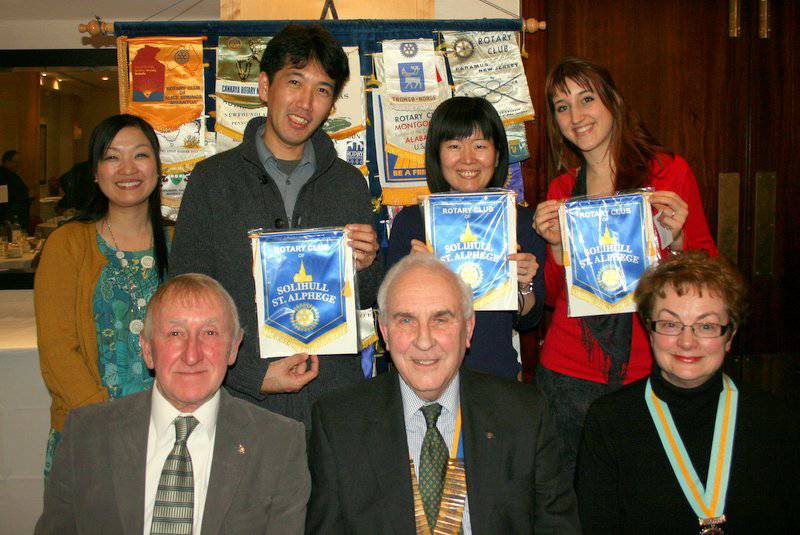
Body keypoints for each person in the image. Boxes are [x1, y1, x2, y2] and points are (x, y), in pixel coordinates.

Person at [170, 23, 381, 427]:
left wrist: (366, 265)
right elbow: (184, 303)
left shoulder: (348, 184)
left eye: (322, 90)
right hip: (242, 406)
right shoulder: (212, 182)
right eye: (295, 82)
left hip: (333, 405)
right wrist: (251, 375)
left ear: (333, 103)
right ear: (266, 86)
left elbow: (367, 301)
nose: (305, 102)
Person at [532, 57, 718, 473]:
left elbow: (710, 275)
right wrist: (557, 248)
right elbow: (553, 297)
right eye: (562, 107)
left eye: (586, 99)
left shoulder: (667, 174)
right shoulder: (563, 189)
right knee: (571, 503)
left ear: (613, 102)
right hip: (567, 371)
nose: (576, 117)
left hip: (646, 365)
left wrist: (680, 240)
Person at [306, 254, 579, 534]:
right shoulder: (339, 424)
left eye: (440, 319)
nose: (424, 341)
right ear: (385, 333)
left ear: (468, 329)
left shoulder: (524, 414)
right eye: (406, 321)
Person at [36, 274, 310, 534]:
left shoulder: (279, 443)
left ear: (234, 348)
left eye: (210, 333)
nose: (192, 355)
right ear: (147, 350)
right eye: (175, 333)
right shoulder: (87, 434)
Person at [576, 251, 799, 533]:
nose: (686, 342)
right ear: (650, 330)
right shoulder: (610, 420)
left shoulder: (776, 420)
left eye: (706, 326)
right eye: (670, 324)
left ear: (729, 336)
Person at [34, 114, 170, 476]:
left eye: (140, 155)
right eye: (112, 157)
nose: (127, 169)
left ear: (158, 167)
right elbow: (58, 351)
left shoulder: (179, 241)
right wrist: (107, 424)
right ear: (95, 172)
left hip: (172, 436)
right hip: (91, 433)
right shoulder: (69, 244)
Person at [386, 96, 546, 380]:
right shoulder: (411, 223)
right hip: (422, 378)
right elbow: (388, 320)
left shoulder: (519, 222)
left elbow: (529, 320)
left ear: (497, 155)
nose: (468, 159)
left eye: (480, 145)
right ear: (437, 156)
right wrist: (409, 277)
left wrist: (524, 286)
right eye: (454, 146)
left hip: (495, 378)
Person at [0, 149, 31, 229]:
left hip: (18, 217)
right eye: (16, 162)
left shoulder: (11, 175)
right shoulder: (2, 176)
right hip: (11, 219)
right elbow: (2, 200)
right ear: (7, 161)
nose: (18, 165)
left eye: (19, 162)